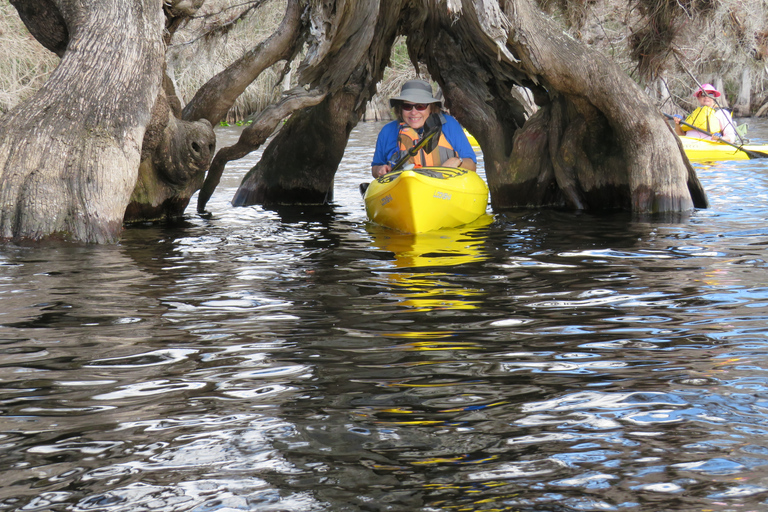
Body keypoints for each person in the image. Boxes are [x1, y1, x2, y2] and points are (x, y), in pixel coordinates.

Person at [371, 79, 477, 178]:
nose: (413, 112)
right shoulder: (387, 131)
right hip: (403, 187)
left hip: (444, 188)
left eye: (420, 106)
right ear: (400, 108)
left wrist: (458, 161)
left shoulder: (449, 124)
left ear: (431, 107)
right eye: (407, 106)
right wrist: (380, 169)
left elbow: (472, 165)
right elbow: (375, 169)